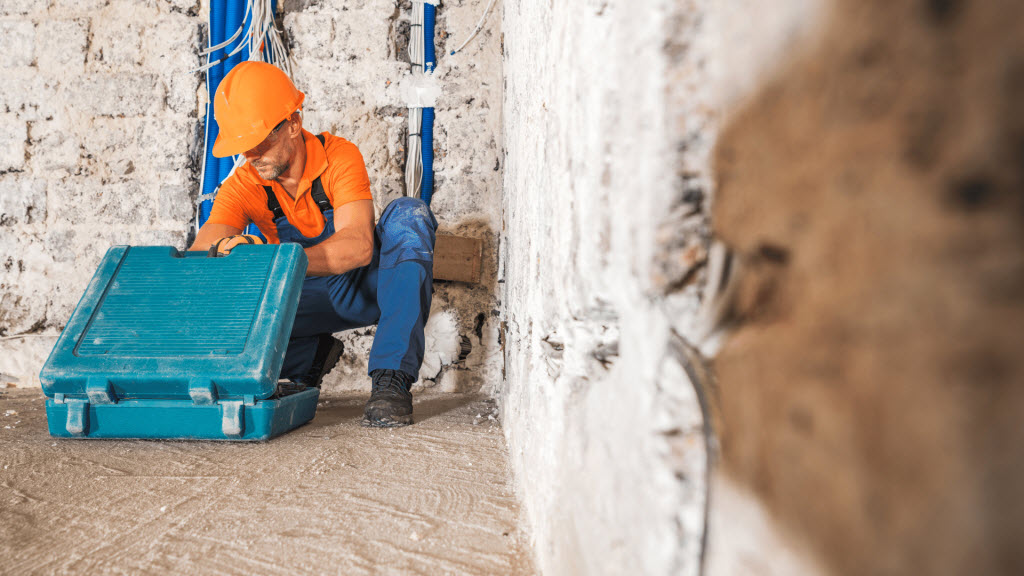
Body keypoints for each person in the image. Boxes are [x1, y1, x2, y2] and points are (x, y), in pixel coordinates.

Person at [188, 61, 437, 428]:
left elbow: (357, 247)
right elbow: (199, 256)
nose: (252, 156)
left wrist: (268, 260)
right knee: (220, 307)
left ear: (293, 123)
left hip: (361, 288)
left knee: (409, 215)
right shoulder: (244, 183)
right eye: (244, 147)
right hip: (298, 299)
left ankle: (391, 380)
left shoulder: (339, 156)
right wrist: (227, 250)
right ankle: (307, 358)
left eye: (260, 142)